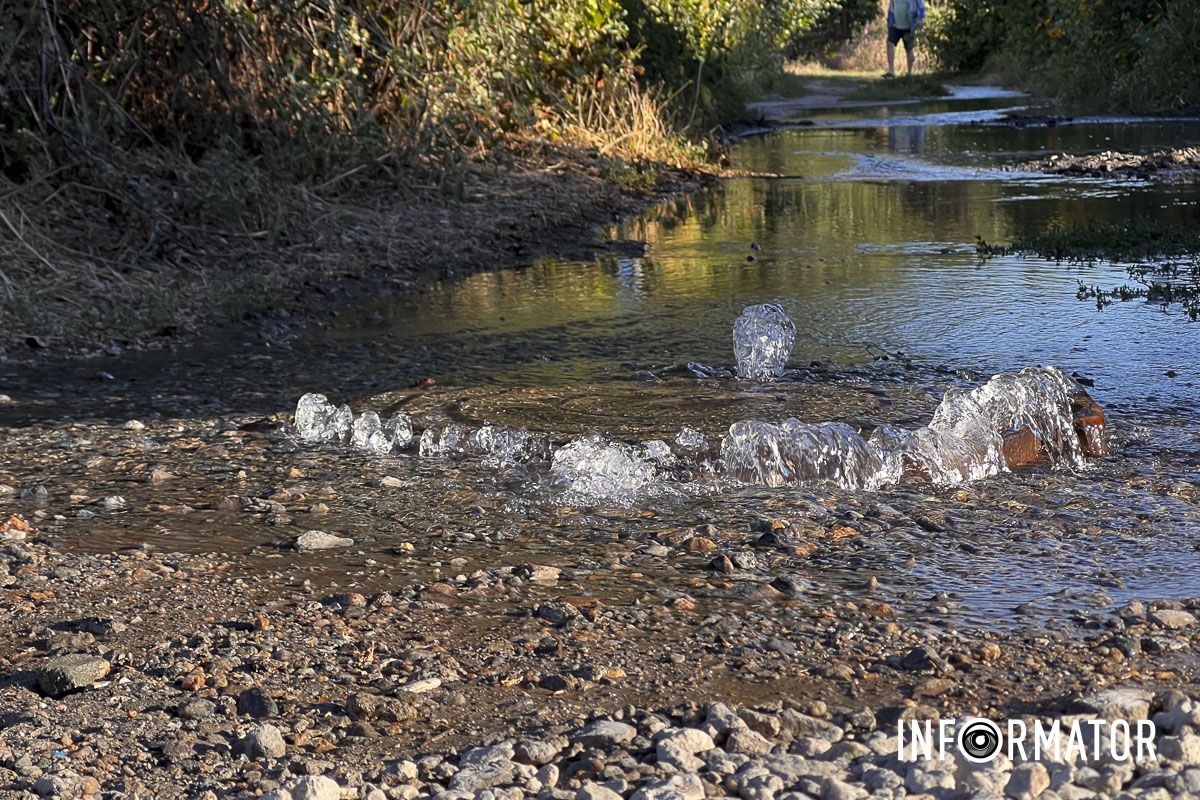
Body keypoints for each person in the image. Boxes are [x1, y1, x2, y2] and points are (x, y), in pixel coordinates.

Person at [884, 0, 926, 78]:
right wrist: (889, 21)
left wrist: (921, 19)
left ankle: (909, 74)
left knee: (909, 49)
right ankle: (891, 71)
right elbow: (891, 7)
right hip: (895, 25)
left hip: (909, 27)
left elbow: (921, 5)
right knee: (890, 44)